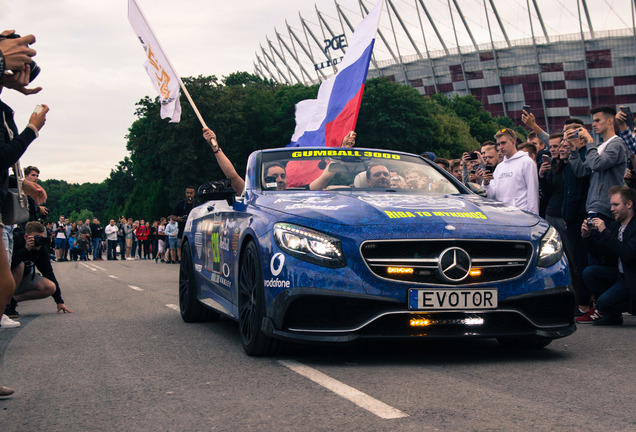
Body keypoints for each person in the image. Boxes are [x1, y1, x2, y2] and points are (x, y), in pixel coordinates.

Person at [577, 186, 636, 325]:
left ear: (629, 204)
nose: (611, 209)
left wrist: (605, 232)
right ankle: (611, 312)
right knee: (590, 272)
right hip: (620, 275)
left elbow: (627, 253)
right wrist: (587, 236)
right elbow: (598, 252)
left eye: (616, 204)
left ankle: (616, 308)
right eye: (611, 204)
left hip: (632, 278)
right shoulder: (617, 226)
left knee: (603, 303)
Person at [568, 106, 627, 223]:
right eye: (593, 121)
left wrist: (589, 141)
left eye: (597, 120)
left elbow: (597, 164)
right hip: (593, 206)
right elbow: (582, 171)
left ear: (610, 121)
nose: (593, 124)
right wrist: (573, 150)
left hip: (607, 207)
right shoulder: (600, 146)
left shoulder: (616, 144)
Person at [7, 221, 73, 318]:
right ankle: (6, 305)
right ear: (26, 237)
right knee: (20, 265)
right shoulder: (15, 240)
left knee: (50, 287)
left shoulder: (41, 248)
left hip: (22, 279)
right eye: (36, 238)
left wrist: (59, 301)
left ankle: (12, 300)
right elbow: (8, 265)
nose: (39, 242)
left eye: (42, 238)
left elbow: (48, 273)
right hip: (7, 279)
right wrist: (26, 249)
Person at [482, 128, 539, 214]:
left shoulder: (527, 162)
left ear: (513, 142)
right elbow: (491, 195)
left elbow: (533, 194)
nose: (500, 147)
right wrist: (486, 183)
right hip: (502, 216)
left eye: (503, 143)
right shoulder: (499, 167)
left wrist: (533, 218)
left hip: (521, 216)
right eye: (499, 144)